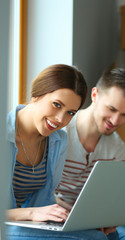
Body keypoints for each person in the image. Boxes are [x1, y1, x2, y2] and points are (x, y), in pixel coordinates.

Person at [6, 64, 113, 240]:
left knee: (109, 234)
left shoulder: (58, 140)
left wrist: (86, 219)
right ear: (36, 94)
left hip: (29, 223)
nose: (60, 119)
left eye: (70, 112)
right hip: (9, 225)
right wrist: (31, 213)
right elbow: (34, 212)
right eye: (56, 105)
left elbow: (47, 200)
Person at [55, 68, 125, 240]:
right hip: (57, 217)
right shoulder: (61, 133)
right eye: (111, 109)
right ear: (95, 95)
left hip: (95, 222)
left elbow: (112, 200)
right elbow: (40, 192)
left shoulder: (117, 149)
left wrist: (111, 219)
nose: (115, 121)